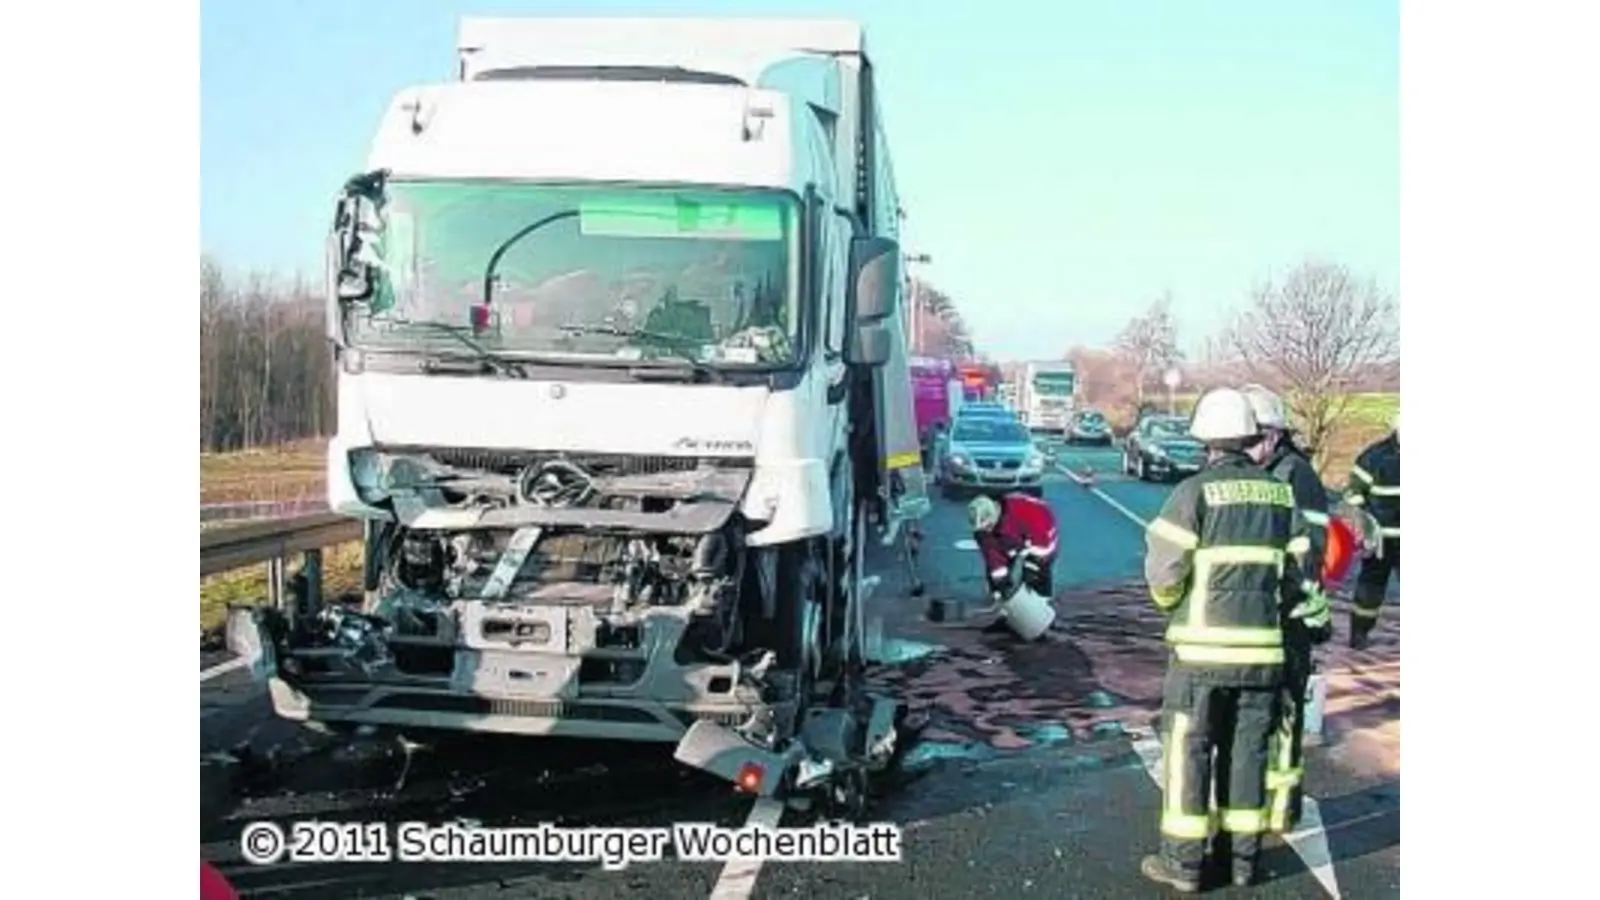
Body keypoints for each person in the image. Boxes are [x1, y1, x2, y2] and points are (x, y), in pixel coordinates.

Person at [1139, 388, 1317, 893]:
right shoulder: (1281, 495)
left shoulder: (1193, 493)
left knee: (1189, 756)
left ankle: (1184, 864)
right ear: (1248, 436)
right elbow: (1300, 574)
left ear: (1205, 441)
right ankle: (1243, 863)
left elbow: (1164, 568)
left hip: (1199, 660)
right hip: (1263, 657)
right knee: (1247, 758)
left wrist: (1172, 602)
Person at [1240, 384, 1334, 836]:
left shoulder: (1297, 476)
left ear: (1274, 435)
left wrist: (1305, 612)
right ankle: (1256, 801)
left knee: (1284, 715)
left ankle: (1282, 807)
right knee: (1256, 716)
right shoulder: (1255, 471)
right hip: (1253, 615)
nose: (1246, 443)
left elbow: (1308, 557)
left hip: (1288, 617)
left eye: (1253, 434)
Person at [1343, 411, 1400, 649]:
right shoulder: (1374, 457)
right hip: (1380, 539)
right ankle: (1359, 633)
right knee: (1370, 589)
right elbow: (1354, 493)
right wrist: (1364, 525)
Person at [967, 491, 1059, 606]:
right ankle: (1003, 604)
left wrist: (1033, 566)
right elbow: (993, 557)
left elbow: (1044, 547)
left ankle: (1044, 602)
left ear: (995, 514)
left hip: (1038, 535)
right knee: (1001, 583)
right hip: (1010, 537)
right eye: (984, 529)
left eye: (989, 526)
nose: (987, 531)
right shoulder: (983, 532)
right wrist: (1000, 584)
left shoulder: (1029, 511)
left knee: (1036, 573)